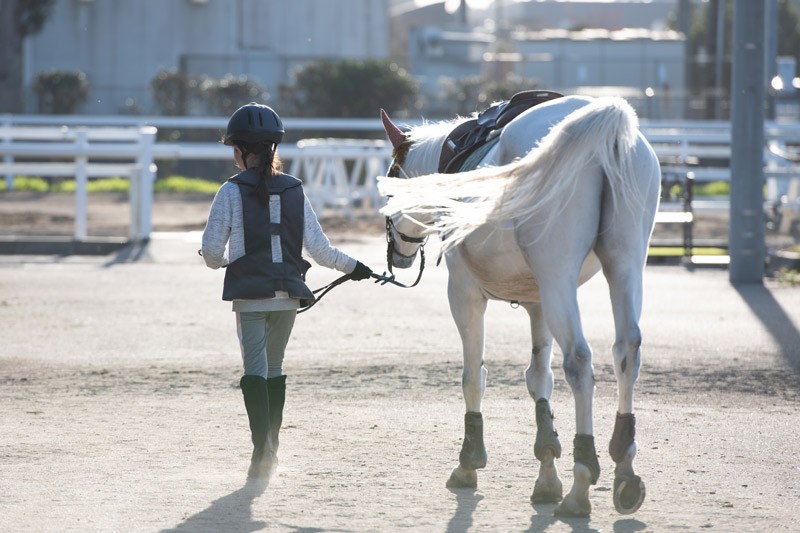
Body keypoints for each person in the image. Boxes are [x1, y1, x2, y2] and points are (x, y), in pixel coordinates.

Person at [201, 102, 374, 479]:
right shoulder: (295, 190)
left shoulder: (229, 193)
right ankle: (272, 451)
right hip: (288, 297)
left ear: (239, 150)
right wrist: (357, 267)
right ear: (273, 149)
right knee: (275, 369)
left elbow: (213, 252)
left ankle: (259, 451)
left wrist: (216, 261)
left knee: (255, 370)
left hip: (250, 295)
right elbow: (322, 251)